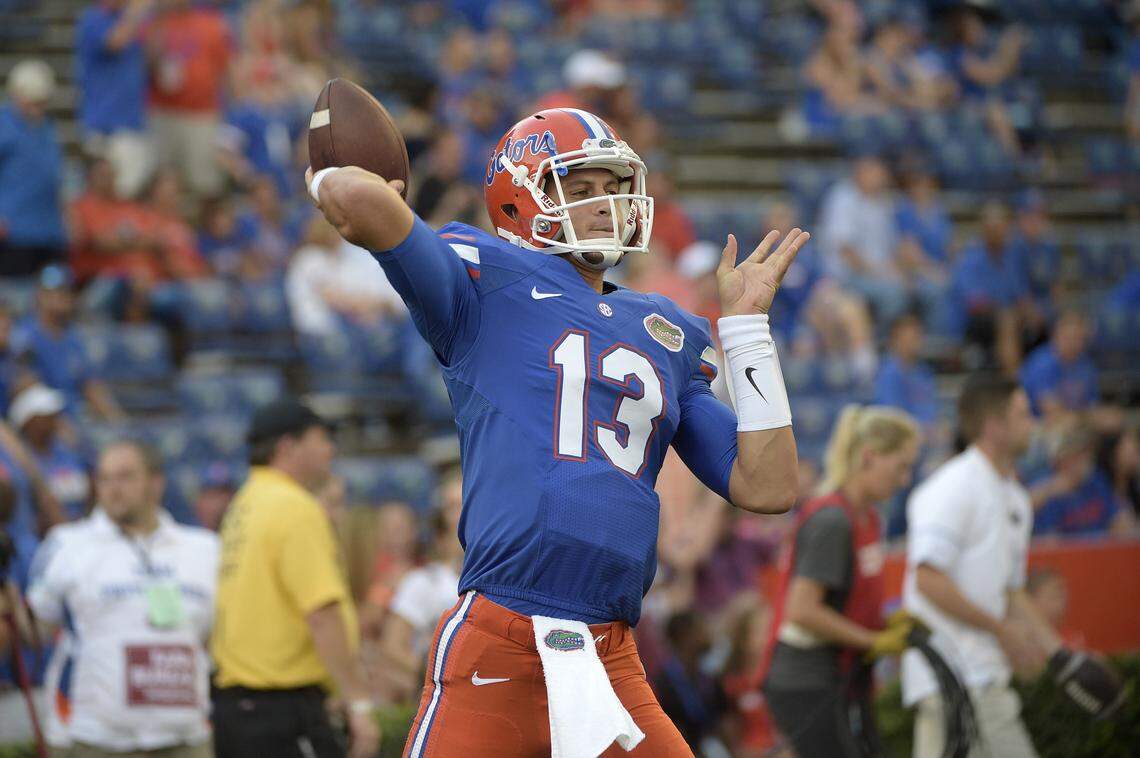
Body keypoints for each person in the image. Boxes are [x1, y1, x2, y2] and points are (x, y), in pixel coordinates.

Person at [308, 105, 808, 755]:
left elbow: (767, 485)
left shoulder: (667, 329)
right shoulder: (483, 279)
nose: (604, 204)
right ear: (520, 199)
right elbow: (355, 202)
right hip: (503, 632)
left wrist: (746, 332)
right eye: (579, 189)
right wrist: (339, 179)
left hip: (611, 655)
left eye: (612, 188)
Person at [25, 439, 219, 757]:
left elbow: (216, 636)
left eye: (126, 476)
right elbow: (36, 625)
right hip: (93, 739)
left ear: (156, 483)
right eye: (104, 478)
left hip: (185, 738)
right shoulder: (67, 546)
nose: (113, 488)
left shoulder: (204, 549)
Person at [902, 375, 1062, 758]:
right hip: (949, 681)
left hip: (985, 677)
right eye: (1023, 414)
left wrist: (1061, 656)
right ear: (994, 427)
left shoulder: (1017, 499)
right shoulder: (952, 487)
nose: (1033, 423)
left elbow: (1010, 592)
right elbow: (927, 579)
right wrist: (1002, 631)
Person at [210, 397, 378, 758]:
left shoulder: (244, 504)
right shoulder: (293, 506)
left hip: (240, 709)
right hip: (281, 711)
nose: (330, 450)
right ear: (287, 447)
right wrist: (358, 702)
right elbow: (322, 613)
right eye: (321, 439)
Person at [763, 405, 923, 758]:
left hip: (838, 675)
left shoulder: (867, 519)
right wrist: (874, 640)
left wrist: (883, 624)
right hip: (806, 678)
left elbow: (844, 603)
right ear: (869, 456)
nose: (904, 479)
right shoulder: (833, 520)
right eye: (901, 465)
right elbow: (802, 610)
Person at [373, 470, 463, 702]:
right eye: (452, 506)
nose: (459, 514)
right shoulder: (425, 581)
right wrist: (444, 679)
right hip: (445, 700)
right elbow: (392, 646)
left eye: (463, 502)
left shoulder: (506, 578)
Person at [10, 265, 124, 421]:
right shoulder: (24, 335)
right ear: (39, 295)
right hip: (41, 424)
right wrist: (60, 425)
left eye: (67, 291)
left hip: (74, 418)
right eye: (55, 291)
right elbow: (27, 388)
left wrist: (118, 421)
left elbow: (91, 385)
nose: (62, 297)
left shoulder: (73, 338)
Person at [76, 0, 154, 200]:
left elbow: (151, 58)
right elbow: (115, 42)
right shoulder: (93, 18)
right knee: (100, 196)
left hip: (131, 122)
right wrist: (138, 10)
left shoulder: (128, 20)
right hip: (102, 126)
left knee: (128, 195)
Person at [0, 60, 67, 277]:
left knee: (53, 295)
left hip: (49, 230)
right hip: (14, 231)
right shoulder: (4, 125)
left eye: (42, 102)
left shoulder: (47, 127)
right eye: (33, 102)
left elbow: (54, 175)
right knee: (16, 299)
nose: (38, 108)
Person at [8, 384, 90, 521]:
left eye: (54, 415)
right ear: (30, 421)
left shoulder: (65, 451)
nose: (55, 420)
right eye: (47, 416)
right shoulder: (19, 460)